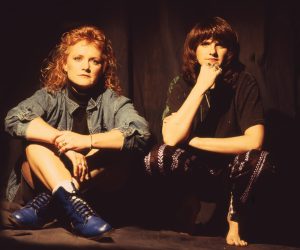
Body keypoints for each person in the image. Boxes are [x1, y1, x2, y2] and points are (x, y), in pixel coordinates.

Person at [4, 25, 150, 239]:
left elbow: (141, 133)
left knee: (116, 152)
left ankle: (49, 202)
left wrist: (87, 141)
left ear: (103, 66)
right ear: (64, 64)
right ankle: (76, 208)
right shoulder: (49, 96)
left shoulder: (113, 102)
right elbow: (14, 118)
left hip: (92, 187)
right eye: (78, 58)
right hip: (39, 178)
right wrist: (62, 142)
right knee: (36, 146)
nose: (86, 67)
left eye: (95, 61)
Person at [144, 17, 274, 246]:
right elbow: (171, 138)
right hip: (196, 170)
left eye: (220, 44)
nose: (212, 51)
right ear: (193, 49)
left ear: (230, 51)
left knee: (260, 161)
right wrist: (201, 86)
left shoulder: (244, 82)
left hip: (231, 171)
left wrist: (193, 140)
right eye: (205, 43)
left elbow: (254, 142)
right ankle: (189, 204)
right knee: (157, 157)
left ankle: (235, 217)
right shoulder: (182, 83)